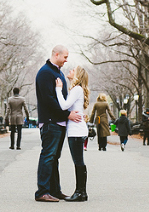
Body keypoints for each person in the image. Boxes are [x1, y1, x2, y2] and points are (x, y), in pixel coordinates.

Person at [34, 44, 82, 203]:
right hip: (50, 122)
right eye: (65, 57)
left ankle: (55, 190)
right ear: (56, 54)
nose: (66, 60)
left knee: (54, 157)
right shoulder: (45, 73)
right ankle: (42, 191)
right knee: (48, 155)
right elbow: (48, 100)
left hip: (59, 122)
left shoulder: (57, 72)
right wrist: (67, 114)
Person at [55, 65, 90, 202]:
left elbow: (64, 106)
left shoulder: (77, 89)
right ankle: (82, 192)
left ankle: (80, 192)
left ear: (77, 75)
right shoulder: (76, 89)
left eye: (73, 70)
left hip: (76, 131)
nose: (70, 70)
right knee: (79, 162)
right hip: (77, 130)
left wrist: (58, 88)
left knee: (78, 162)